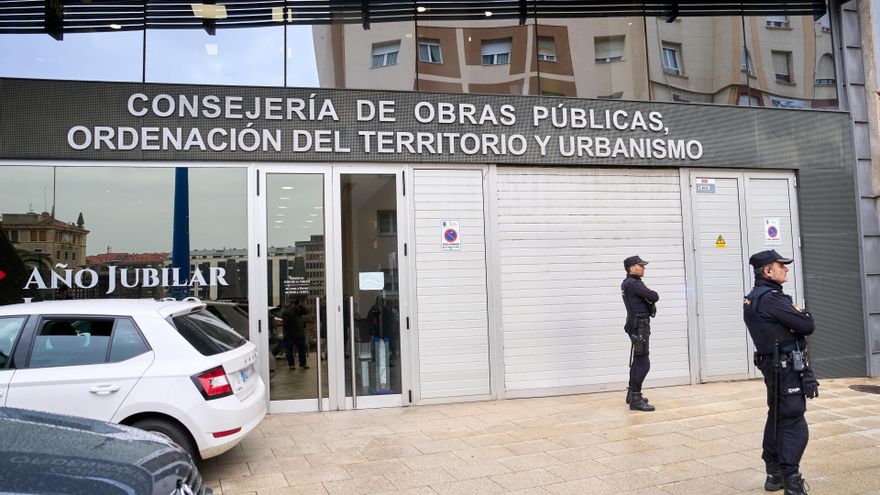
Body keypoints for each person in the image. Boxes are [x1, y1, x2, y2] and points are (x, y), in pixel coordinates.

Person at [744, 250, 818, 495]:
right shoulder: (772, 299)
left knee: (777, 415)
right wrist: (802, 316)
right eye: (781, 266)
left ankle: (774, 474)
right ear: (767, 271)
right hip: (784, 368)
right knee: (793, 420)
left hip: (776, 366)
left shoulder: (756, 297)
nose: (786, 269)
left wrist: (796, 321)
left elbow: (798, 325)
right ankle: (792, 482)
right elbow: (807, 324)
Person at [621, 255, 658, 412]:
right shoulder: (633, 284)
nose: (644, 268)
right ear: (632, 268)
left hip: (636, 325)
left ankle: (632, 393)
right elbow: (654, 296)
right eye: (641, 265)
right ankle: (635, 398)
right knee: (643, 362)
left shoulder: (630, 283)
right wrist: (649, 293)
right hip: (639, 326)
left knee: (638, 360)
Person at [282, 297, 309, 370]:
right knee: (289, 350)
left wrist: (299, 305)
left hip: (299, 333)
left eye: (294, 302)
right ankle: (291, 365)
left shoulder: (298, 309)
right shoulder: (285, 309)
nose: (293, 303)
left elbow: (306, 311)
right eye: (291, 301)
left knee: (302, 349)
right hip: (289, 334)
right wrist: (293, 308)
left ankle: (303, 363)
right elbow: (285, 315)